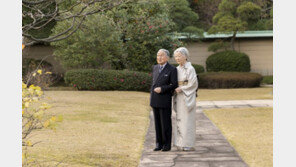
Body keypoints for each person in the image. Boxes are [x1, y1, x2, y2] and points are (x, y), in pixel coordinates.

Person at [150, 49, 178, 151]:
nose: (159, 57)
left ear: (167, 57)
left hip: (164, 99)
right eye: (158, 55)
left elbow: (174, 85)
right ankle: (158, 144)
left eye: (161, 55)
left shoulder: (172, 69)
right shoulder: (155, 67)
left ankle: (166, 144)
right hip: (154, 99)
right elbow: (153, 83)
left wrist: (162, 89)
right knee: (157, 123)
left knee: (165, 123)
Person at [172, 47, 198, 151]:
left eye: (179, 56)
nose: (177, 58)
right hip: (178, 96)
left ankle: (188, 143)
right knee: (179, 119)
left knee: (187, 120)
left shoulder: (190, 69)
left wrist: (182, 88)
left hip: (187, 96)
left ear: (185, 56)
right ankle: (179, 142)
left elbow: (193, 83)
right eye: (176, 56)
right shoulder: (177, 69)